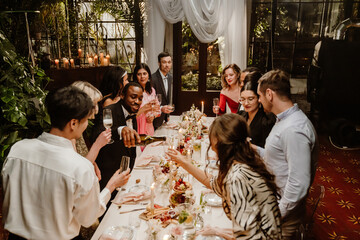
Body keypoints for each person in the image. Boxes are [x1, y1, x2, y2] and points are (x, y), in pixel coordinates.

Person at [1, 86, 130, 239]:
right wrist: (111, 186)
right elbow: (88, 218)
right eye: (86, 120)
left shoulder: (18, 150)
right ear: (73, 123)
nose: (86, 125)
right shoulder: (80, 167)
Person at [167, 114, 282, 239]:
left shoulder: (237, 178)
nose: (212, 149)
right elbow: (214, 183)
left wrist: (219, 232)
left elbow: (248, 237)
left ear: (222, 145)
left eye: (213, 145)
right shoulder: (245, 163)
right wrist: (183, 162)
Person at [256, 69, 319, 239]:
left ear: (269, 94)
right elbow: (277, 157)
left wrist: (276, 214)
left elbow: (298, 183)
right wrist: (252, 148)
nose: (259, 100)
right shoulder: (284, 120)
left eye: (259, 96)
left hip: (283, 214)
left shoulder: (293, 129)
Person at [92, 82, 143, 192]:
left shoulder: (131, 112)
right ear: (122, 95)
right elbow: (97, 134)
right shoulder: (109, 110)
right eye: (133, 97)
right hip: (109, 175)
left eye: (140, 98)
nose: (137, 102)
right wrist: (120, 130)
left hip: (125, 173)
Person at [71, 81, 111, 181]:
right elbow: (79, 172)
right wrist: (98, 144)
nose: (97, 108)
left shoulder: (78, 126)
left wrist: (93, 163)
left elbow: (83, 158)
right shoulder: (70, 132)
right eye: (95, 103)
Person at [238, 71, 276, 148]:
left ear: (259, 99)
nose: (246, 103)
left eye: (250, 99)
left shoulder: (267, 121)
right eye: (243, 99)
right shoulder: (240, 115)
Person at [133, 63, 161, 136]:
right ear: (136, 76)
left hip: (149, 127)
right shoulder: (134, 92)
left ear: (148, 75)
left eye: (144, 73)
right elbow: (131, 115)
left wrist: (153, 116)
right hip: (138, 127)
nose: (142, 77)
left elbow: (158, 110)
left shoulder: (152, 90)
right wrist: (145, 108)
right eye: (139, 74)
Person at [152, 52, 175, 129]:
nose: (167, 65)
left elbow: (166, 97)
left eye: (169, 62)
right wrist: (161, 108)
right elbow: (150, 101)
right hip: (154, 120)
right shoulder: (153, 79)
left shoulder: (170, 77)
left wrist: (167, 115)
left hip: (164, 119)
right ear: (159, 63)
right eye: (164, 62)